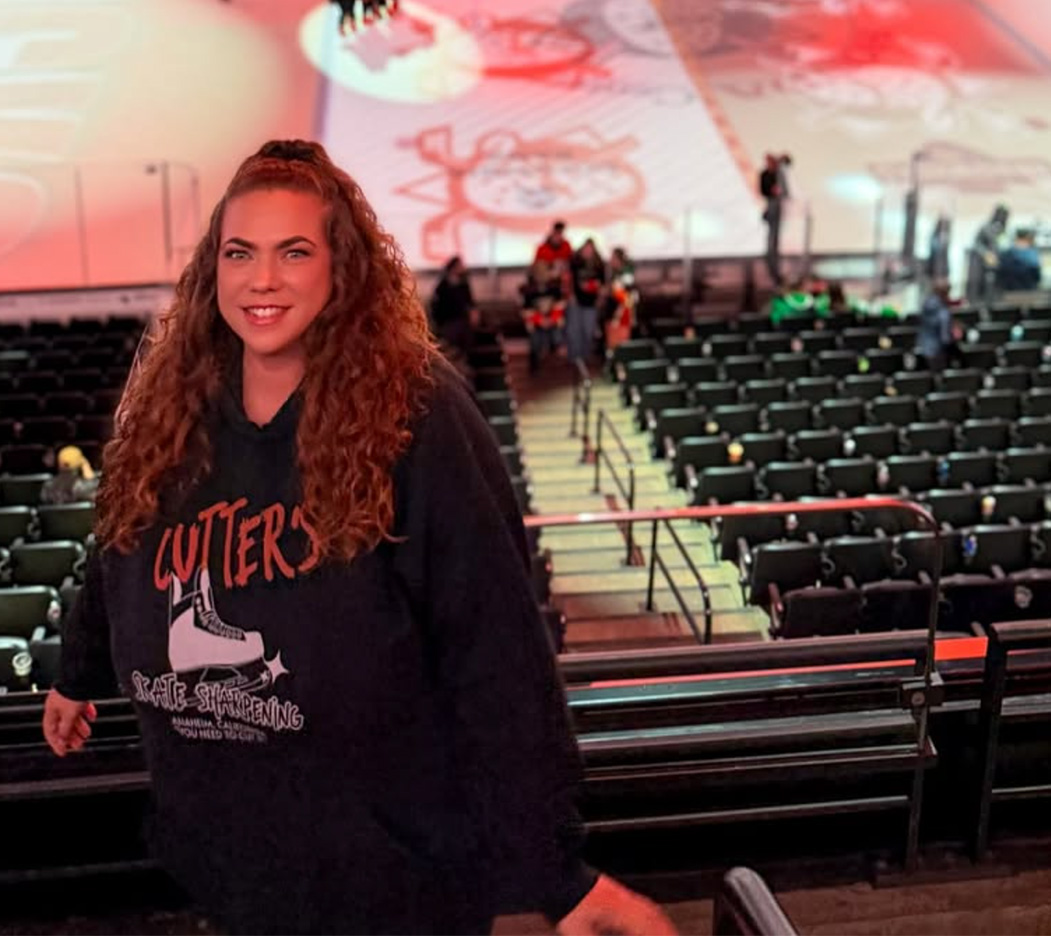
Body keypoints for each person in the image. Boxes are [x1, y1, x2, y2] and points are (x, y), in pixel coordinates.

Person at [43, 140, 672, 936]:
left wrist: (552, 874)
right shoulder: (171, 407)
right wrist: (78, 673)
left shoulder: (418, 413)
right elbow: (120, 547)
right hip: (229, 859)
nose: (262, 279)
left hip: (393, 879)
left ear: (341, 268)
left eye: (293, 252)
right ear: (212, 269)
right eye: (239, 253)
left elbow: (494, 650)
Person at [430, 255, 478, 367]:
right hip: (449, 321)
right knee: (451, 346)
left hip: (462, 320)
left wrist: (473, 313)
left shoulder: (463, 283)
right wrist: (439, 321)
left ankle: (464, 364)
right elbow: (436, 304)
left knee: (465, 344)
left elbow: (470, 301)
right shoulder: (443, 285)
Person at [565, 240, 605, 370]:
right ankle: (574, 358)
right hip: (576, 301)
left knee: (588, 330)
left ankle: (585, 356)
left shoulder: (599, 265)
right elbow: (568, 279)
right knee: (574, 330)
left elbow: (602, 284)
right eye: (586, 249)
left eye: (590, 249)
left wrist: (599, 296)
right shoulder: (575, 262)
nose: (587, 252)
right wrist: (570, 294)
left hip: (591, 303)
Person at [521, 268, 567, 378]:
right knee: (535, 342)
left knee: (557, 337)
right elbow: (526, 310)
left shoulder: (554, 289)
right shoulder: (529, 291)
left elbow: (560, 305)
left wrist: (552, 319)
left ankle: (555, 365)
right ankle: (534, 368)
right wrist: (540, 320)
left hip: (552, 321)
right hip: (536, 323)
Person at [758, 153, 791, 289]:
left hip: (779, 208)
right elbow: (763, 190)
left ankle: (775, 264)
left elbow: (786, 192)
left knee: (776, 238)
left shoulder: (779, 174)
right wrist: (772, 192)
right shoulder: (765, 175)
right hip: (772, 207)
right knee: (772, 238)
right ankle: (771, 261)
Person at [965, 204, 1009, 305]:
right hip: (982, 265)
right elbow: (977, 244)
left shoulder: (1003, 231)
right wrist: (986, 254)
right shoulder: (985, 228)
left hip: (997, 266)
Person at [915, 280, 954, 371]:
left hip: (924, 347)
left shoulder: (927, 303)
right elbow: (945, 336)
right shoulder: (941, 310)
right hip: (935, 350)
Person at [995, 226, 1043, 295]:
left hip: (1019, 291)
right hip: (1018, 291)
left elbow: (1037, 276)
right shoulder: (1009, 254)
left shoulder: (1007, 254)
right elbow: (1037, 276)